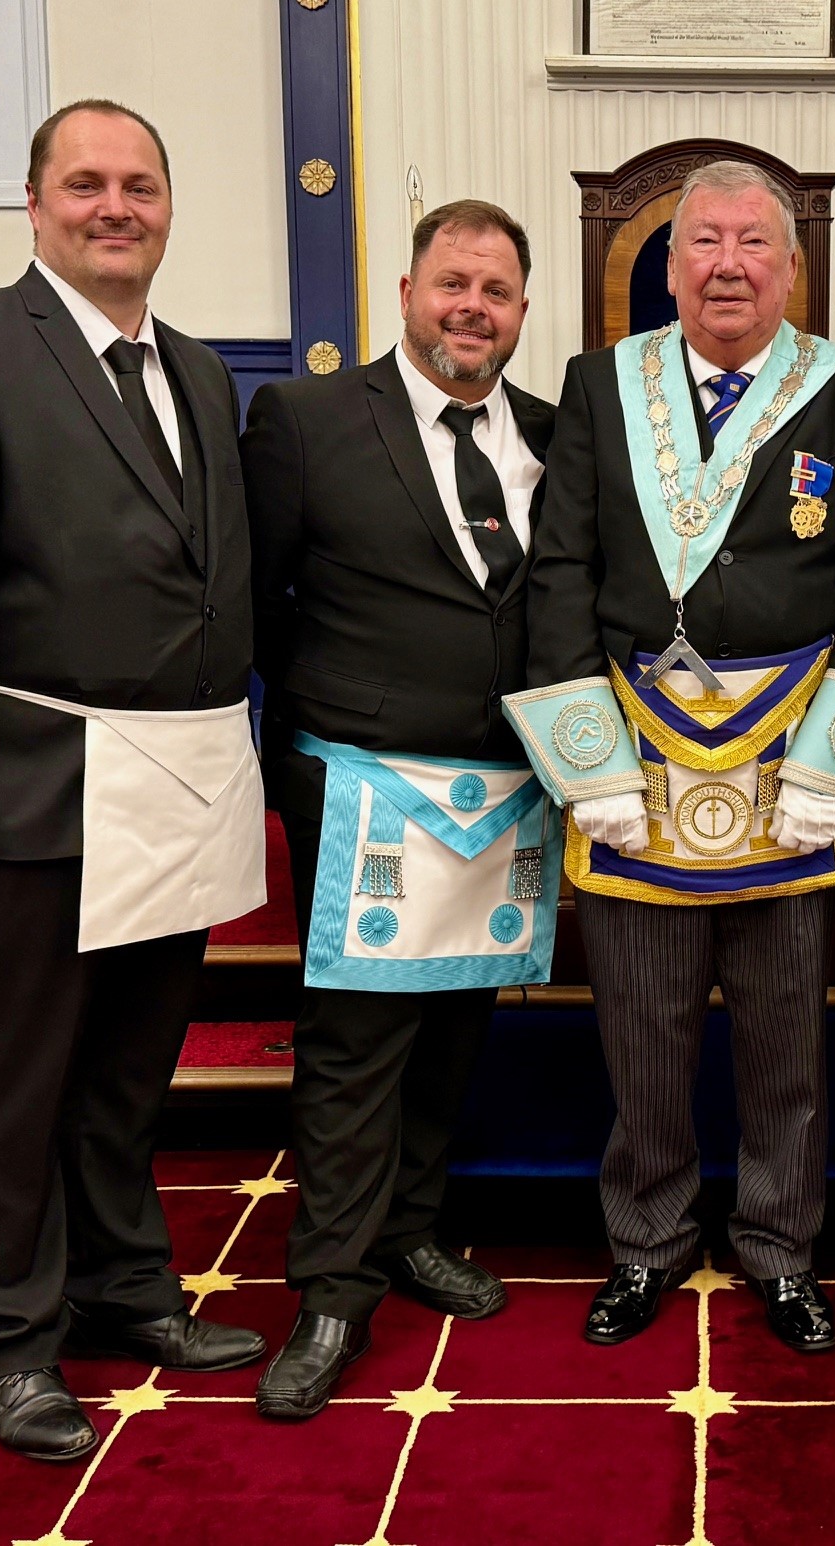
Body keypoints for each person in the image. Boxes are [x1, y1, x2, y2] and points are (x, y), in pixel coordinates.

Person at [0, 101, 269, 1460]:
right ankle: (14, 1341)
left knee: (127, 1074)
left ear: (165, 206)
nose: (114, 205)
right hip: (31, 791)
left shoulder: (199, 372)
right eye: (84, 183)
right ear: (33, 205)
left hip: (178, 785)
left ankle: (125, 1288)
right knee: (13, 1084)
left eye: (139, 184)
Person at [506, 160, 835, 1353]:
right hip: (636, 753)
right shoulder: (602, 385)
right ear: (670, 262)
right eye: (705, 241)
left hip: (793, 758)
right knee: (642, 1028)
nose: (728, 262)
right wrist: (584, 764)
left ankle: (782, 1248)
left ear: (791, 266)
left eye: (754, 242)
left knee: (790, 1032)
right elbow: (565, 573)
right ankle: (646, 1241)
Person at [240, 200, 557, 1419]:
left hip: (504, 792)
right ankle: (329, 1288)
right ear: (408, 290)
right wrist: (305, 750)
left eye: (497, 290)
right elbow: (260, 598)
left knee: (454, 1026)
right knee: (356, 1047)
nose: (472, 307)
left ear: (523, 312)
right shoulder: (309, 420)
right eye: (452, 283)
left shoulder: (549, 429)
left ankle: (412, 1232)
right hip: (366, 785)